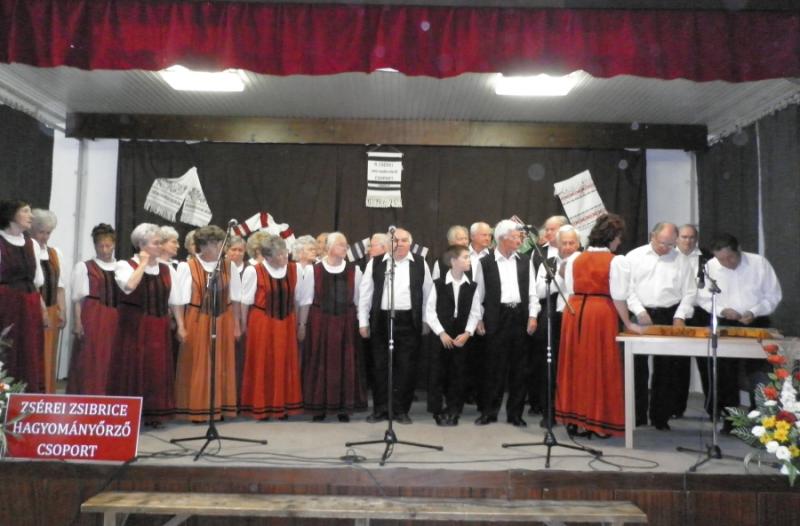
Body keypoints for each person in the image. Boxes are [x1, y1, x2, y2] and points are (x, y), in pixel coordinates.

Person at [555, 213, 641, 438]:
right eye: (618, 237)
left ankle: (576, 420)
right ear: (612, 237)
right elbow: (619, 296)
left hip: (574, 312)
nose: (619, 242)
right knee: (599, 365)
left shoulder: (574, 259)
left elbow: (570, 288)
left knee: (576, 365)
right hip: (599, 314)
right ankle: (598, 422)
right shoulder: (616, 261)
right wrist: (628, 323)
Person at [696, 233, 782, 432]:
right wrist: (721, 310)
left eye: (730, 257)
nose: (727, 263)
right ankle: (732, 421)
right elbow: (703, 298)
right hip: (726, 322)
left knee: (759, 372)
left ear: (739, 250)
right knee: (726, 373)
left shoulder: (759, 264)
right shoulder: (710, 267)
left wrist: (754, 311)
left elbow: (773, 295)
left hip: (757, 322)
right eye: (721, 259)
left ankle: (762, 419)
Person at [626, 222, 696, 431]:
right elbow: (626, 289)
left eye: (670, 244)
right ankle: (636, 415)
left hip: (668, 313)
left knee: (666, 368)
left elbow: (690, 292)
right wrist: (639, 311)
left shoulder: (681, 260)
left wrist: (680, 315)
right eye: (662, 243)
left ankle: (660, 416)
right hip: (639, 312)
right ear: (652, 236)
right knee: (636, 367)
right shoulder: (634, 257)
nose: (666, 248)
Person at [359, 227, 432, 425]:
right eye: (395, 240)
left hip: (409, 321)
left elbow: (428, 294)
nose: (399, 244)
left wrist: (426, 320)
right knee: (380, 366)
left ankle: (400, 410)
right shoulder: (376, 263)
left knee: (406, 367)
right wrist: (363, 321)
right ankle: (380, 409)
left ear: (410, 243)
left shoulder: (420, 263)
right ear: (388, 243)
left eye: (404, 240)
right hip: (381, 320)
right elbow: (365, 294)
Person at [112, 223, 180, 426]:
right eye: (155, 243)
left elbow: (175, 301)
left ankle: (154, 414)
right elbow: (129, 286)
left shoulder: (166, 269)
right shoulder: (125, 265)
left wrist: (181, 324)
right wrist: (142, 263)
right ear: (141, 245)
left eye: (160, 243)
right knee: (134, 368)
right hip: (135, 326)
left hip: (159, 325)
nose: (160, 247)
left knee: (156, 370)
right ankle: (132, 414)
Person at [473, 219, 539, 427]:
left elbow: (532, 291)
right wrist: (478, 318)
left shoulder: (525, 261)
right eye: (516, 236)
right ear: (502, 238)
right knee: (494, 366)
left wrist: (533, 315)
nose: (520, 240)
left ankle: (515, 414)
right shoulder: (486, 263)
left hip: (519, 315)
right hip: (496, 316)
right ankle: (489, 412)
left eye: (520, 236)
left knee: (520, 368)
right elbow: (478, 294)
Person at [173, 225, 242, 422]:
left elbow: (235, 298)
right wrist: (181, 325)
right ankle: (197, 409)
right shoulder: (188, 266)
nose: (222, 247)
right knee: (199, 363)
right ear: (206, 245)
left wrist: (237, 325)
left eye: (221, 243)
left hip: (224, 318)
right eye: (218, 244)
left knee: (221, 363)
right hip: (197, 318)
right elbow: (179, 300)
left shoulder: (229, 266)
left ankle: (219, 408)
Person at [240, 235, 312, 420]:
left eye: (285, 253)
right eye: (279, 255)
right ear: (267, 257)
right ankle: (262, 407)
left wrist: (301, 324)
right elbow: (245, 302)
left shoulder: (295, 269)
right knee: (263, 363)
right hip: (262, 323)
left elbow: (301, 299)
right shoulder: (254, 271)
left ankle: (282, 406)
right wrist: (243, 326)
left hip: (286, 322)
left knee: (284, 363)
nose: (284, 257)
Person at [302, 232, 368, 422]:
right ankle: (319, 408)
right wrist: (302, 325)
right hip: (320, 324)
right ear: (329, 247)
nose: (345, 248)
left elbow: (359, 300)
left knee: (345, 363)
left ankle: (343, 408)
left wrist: (361, 322)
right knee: (320, 363)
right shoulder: (313, 270)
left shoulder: (355, 271)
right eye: (340, 244)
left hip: (346, 324)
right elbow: (306, 300)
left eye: (346, 245)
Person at [425, 244, 481, 426]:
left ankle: (454, 408)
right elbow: (430, 312)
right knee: (437, 372)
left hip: (460, 335)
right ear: (453, 261)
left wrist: (468, 333)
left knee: (458, 372)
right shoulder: (438, 284)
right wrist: (441, 333)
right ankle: (437, 409)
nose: (469, 260)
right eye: (465, 257)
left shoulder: (472, 286)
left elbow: (475, 312)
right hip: (441, 334)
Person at [531, 224, 580, 427]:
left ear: (578, 244)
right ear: (557, 245)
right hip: (555, 318)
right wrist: (559, 274)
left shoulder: (584, 261)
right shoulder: (548, 263)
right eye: (564, 243)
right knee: (550, 366)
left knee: (575, 366)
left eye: (571, 243)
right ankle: (549, 412)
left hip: (577, 318)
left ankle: (574, 413)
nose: (567, 247)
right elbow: (539, 291)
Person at [0, 199, 47, 393]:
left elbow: (36, 281)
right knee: (8, 349)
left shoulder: (32, 244)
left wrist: (42, 308)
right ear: (12, 215)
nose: (31, 216)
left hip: (29, 304)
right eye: (26, 211)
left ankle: (28, 396)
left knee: (29, 349)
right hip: (6, 303)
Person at [67, 223, 120, 395]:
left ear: (114, 245)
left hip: (116, 317)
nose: (104, 250)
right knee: (92, 356)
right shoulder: (85, 267)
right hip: (93, 315)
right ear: (95, 245)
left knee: (113, 356)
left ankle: (110, 395)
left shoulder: (121, 267)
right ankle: (89, 394)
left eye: (108, 246)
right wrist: (77, 323)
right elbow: (77, 299)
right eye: (100, 246)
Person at [527, 215, 569, 416]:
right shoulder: (538, 253)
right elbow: (534, 289)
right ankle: (543, 403)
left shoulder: (576, 253)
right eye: (547, 229)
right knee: (543, 359)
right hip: (546, 309)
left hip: (568, 309)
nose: (548, 232)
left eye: (553, 229)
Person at [29, 208, 66, 393]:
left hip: (51, 310)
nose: (44, 237)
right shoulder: (28, 251)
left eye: (48, 233)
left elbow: (60, 285)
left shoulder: (55, 253)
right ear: (32, 230)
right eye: (41, 232)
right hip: (32, 311)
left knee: (50, 354)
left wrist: (62, 311)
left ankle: (48, 393)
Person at [676, 224, 709, 418]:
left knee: (706, 362)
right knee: (678, 364)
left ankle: (712, 407)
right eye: (684, 237)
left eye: (691, 237)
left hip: (700, 313)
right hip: (676, 313)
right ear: (677, 238)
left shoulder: (706, 258)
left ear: (696, 239)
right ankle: (676, 407)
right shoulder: (670, 257)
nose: (687, 241)